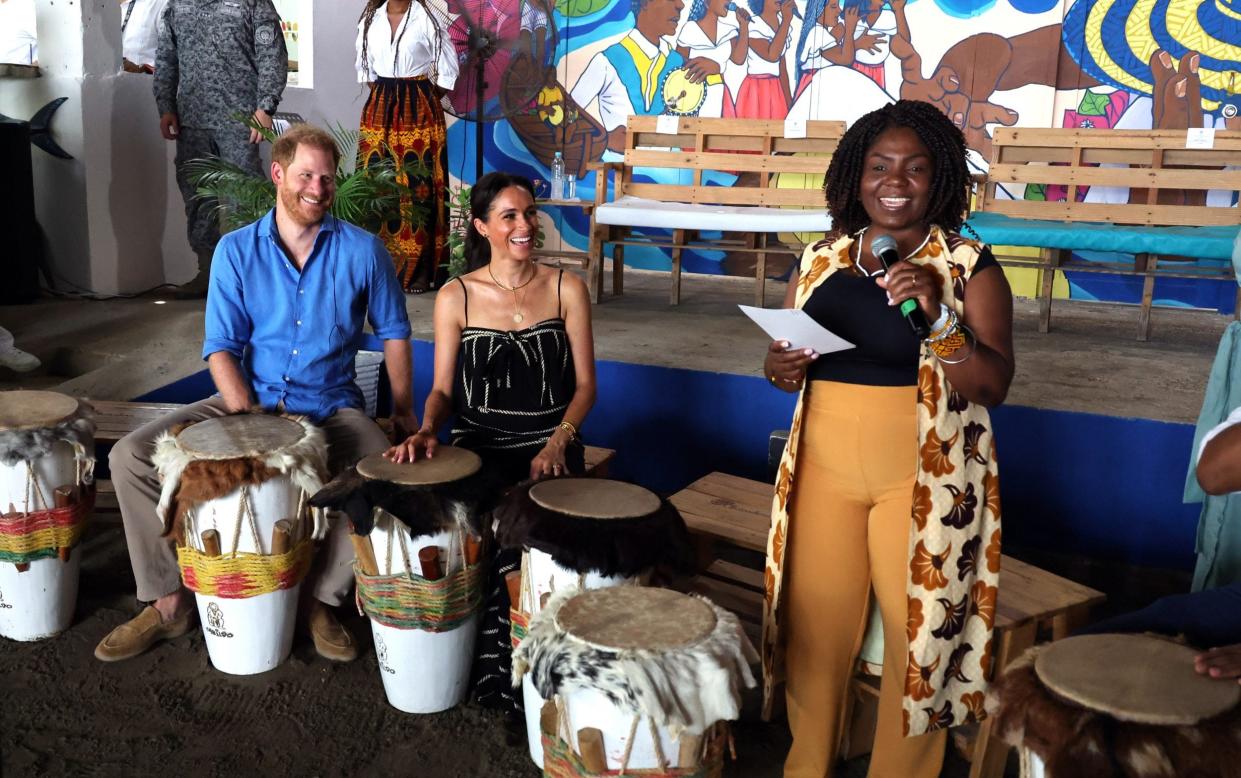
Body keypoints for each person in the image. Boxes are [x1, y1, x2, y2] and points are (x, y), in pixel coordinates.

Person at [95, 125, 416, 665]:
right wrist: (248, 425)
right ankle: (168, 600)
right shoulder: (235, 250)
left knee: (377, 468)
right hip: (246, 402)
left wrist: (403, 411)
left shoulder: (364, 252)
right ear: (278, 174)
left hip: (329, 407)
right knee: (129, 456)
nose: (318, 188)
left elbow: (396, 333)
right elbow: (221, 348)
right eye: (306, 175)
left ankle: (321, 600)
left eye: (327, 178)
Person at [760, 100, 1015, 777]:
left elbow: (990, 385)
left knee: (919, 642)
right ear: (855, 175)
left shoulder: (966, 265)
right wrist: (779, 367)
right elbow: (781, 363)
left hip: (927, 485)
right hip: (821, 473)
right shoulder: (818, 260)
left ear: (938, 181)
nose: (894, 181)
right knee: (815, 635)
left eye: (914, 168)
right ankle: (805, 766)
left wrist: (935, 320)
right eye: (878, 166)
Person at [385, 172, 597, 715]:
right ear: (483, 226)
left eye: (529, 213)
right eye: (510, 216)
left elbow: (586, 388)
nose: (526, 225)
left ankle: (526, 674)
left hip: (550, 442)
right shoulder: (456, 295)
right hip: (478, 445)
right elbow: (440, 390)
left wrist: (557, 443)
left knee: (532, 524)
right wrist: (428, 429)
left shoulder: (566, 287)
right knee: (493, 520)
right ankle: (507, 671)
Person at [154, 0, 288, 299]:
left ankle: (253, 278)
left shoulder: (253, 3)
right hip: (192, 119)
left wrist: (265, 106)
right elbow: (166, 57)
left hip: (239, 120)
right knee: (198, 198)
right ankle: (208, 272)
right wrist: (166, 106)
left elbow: (272, 55)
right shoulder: (176, 5)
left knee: (244, 198)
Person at [355, 0, 458, 294]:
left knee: (419, 186)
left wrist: (421, 98)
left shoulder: (427, 18)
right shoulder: (369, 20)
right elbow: (366, 72)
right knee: (377, 184)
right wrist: (390, 98)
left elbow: (449, 68)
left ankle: (419, 272)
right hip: (380, 107)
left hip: (420, 106)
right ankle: (378, 268)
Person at [569, 0, 687, 153]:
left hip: (670, 170)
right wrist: (605, 139)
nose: (680, 5)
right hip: (616, 171)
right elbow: (567, 117)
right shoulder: (608, 61)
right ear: (644, 3)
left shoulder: (677, 63)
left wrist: (716, 67)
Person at [675, 0, 750, 118]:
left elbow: (739, 59)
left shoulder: (729, 31)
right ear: (706, 2)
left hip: (720, 92)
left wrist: (744, 26)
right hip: (694, 92)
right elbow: (678, 65)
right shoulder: (690, 29)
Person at [736, 0, 795, 118]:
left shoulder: (782, 24)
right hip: (756, 89)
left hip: (776, 88)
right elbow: (772, 55)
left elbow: (782, 68)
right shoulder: (753, 24)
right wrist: (786, 20)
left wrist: (790, 104)